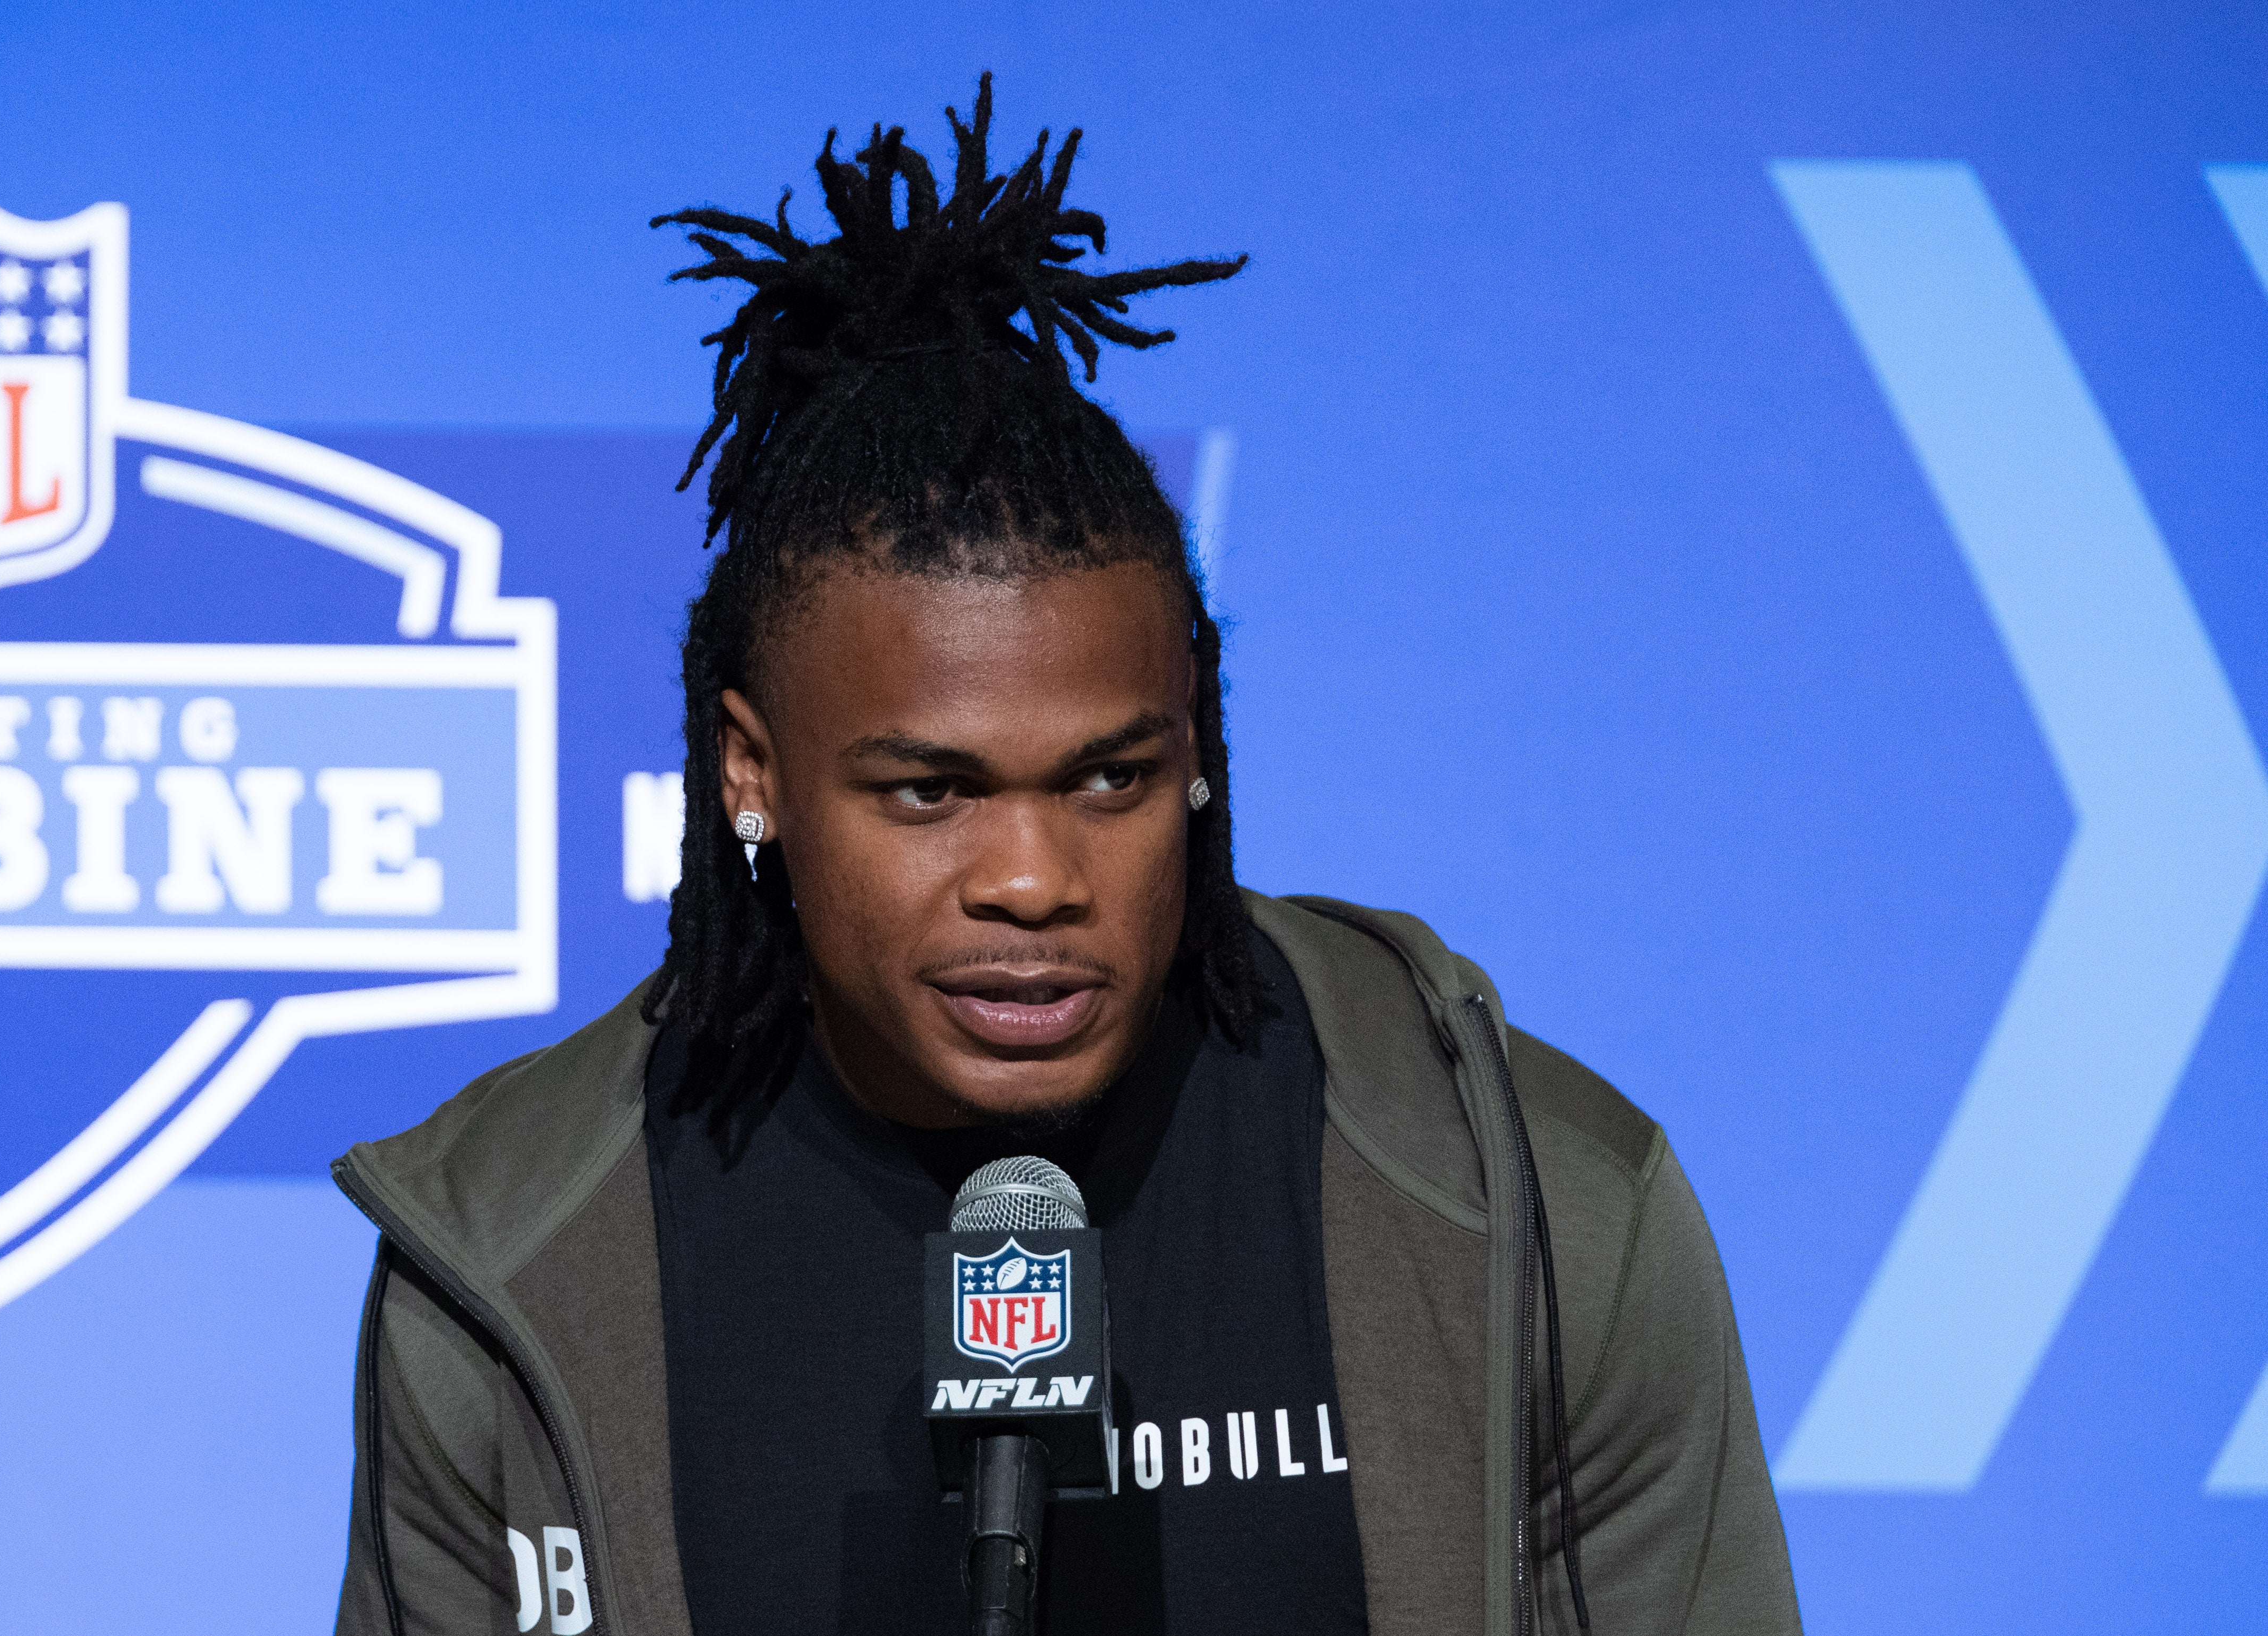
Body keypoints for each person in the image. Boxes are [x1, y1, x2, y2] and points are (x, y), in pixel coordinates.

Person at [331, 76, 1800, 1636]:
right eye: (927, 793)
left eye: (1111, 776)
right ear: (749, 772)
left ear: (1200, 750)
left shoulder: (1528, 1201)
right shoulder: (507, 1254)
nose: (1033, 879)